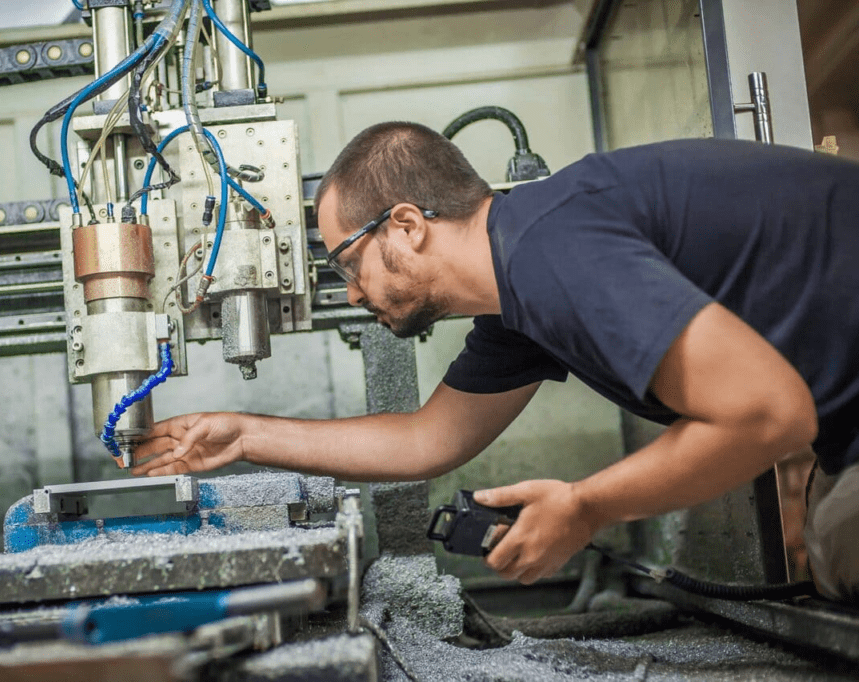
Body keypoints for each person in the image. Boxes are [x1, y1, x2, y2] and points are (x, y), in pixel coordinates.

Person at [133, 122, 859, 603]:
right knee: (834, 554)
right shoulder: (521, 291)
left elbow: (768, 412)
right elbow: (428, 441)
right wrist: (246, 435)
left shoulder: (554, 249)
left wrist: (584, 506)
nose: (351, 293)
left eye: (346, 263)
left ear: (408, 225)